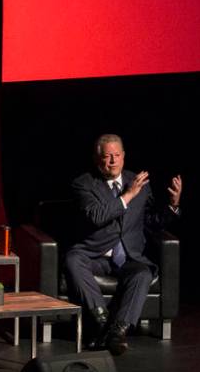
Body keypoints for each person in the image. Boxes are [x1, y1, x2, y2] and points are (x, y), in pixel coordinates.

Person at [64, 133, 181, 356]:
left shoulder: (138, 182)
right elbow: (97, 216)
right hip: (94, 255)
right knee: (73, 259)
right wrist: (127, 196)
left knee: (143, 273)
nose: (113, 161)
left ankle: (118, 331)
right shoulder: (83, 184)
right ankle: (102, 322)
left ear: (124, 156)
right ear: (97, 159)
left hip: (128, 257)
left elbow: (149, 222)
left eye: (117, 155)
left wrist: (173, 206)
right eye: (107, 156)